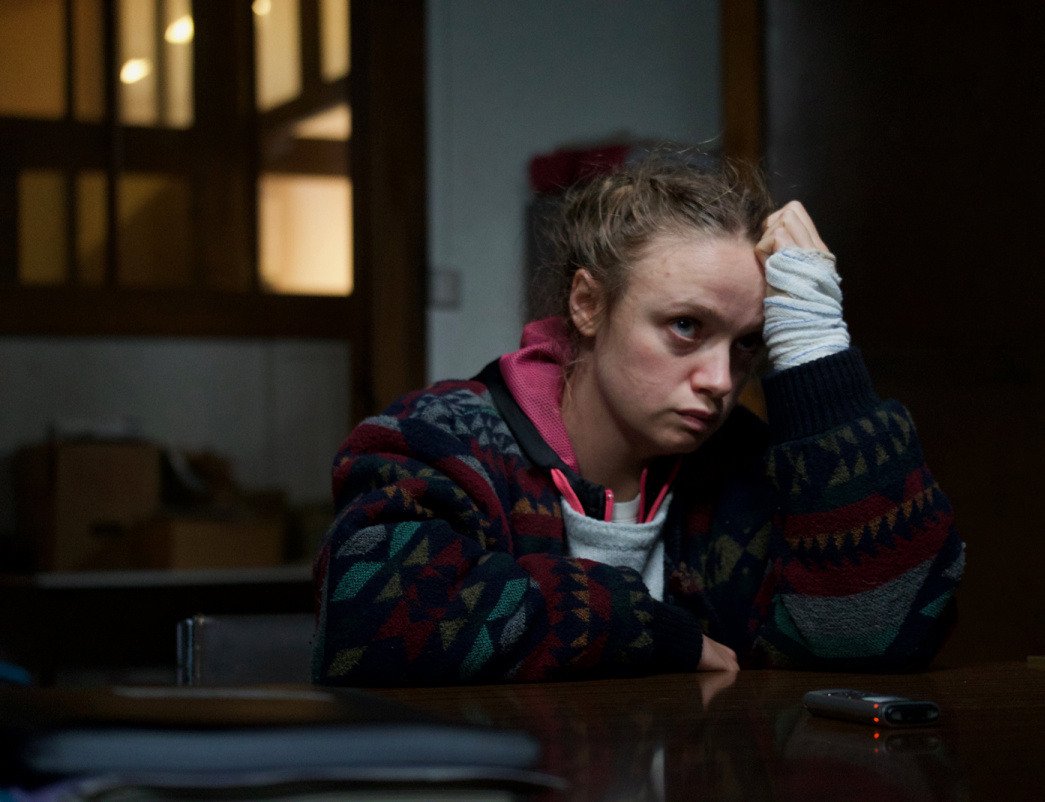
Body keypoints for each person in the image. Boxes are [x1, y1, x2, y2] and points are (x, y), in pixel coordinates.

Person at [312, 151, 965, 685]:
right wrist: (648, 630)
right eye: (685, 326)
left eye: (746, 344)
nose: (720, 381)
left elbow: (880, 630)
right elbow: (371, 623)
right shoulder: (439, 440)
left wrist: (815, 349)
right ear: (587, 304)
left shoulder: (741, 468)